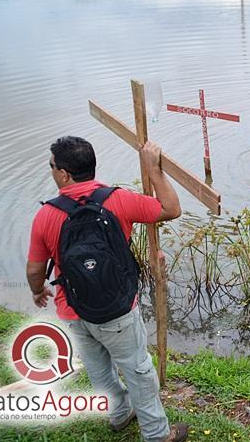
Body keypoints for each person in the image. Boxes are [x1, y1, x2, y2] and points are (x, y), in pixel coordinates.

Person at [26, 136, 188, 442]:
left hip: (72, 309)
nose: (51, 171)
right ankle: (156, 434)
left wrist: (37, 290)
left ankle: (118, 413)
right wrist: (154, 170)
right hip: (118, 310)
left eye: (51, 166)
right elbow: (171, 208)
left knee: (98, 368)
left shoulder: (46, 215)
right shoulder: (119, 200)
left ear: (63, 174)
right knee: (138, 369)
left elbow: (35, 269)